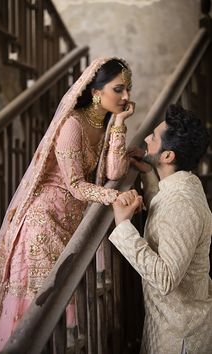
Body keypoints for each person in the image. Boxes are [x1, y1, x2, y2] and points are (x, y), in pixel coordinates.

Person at [0, 57, 136, 353]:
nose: (126, 97)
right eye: (119, 89)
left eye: (128, 89)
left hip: (71, 220)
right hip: (43, 223)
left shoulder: (103, 124)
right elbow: (75, 185)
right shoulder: (72, 125)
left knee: (64, 301)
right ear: (96, 92)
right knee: (40, 305)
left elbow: (114, 173)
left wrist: (119, 125)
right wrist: (114, 196)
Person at [109, 104, 212, 354]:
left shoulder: (182, 203)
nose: (145, 138)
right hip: (171, 326)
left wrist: (123, 227)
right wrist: (148, 175)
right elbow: (170, 220)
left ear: (168, 156)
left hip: (180, 338)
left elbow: (165, 279)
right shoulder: (183, 184)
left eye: (153, 137)